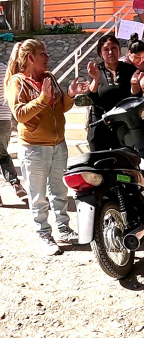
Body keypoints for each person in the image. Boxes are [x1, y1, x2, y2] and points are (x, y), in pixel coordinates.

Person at [4, 40, 87, 255]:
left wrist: (69, 95)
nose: (47, 58)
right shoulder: (17, 82)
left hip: (58, 145)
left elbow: (60, 107)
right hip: (34, 149)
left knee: (59, 190)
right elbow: (19, 114)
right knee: (38, 195)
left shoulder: (49, 77)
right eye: (43, 54)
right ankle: (44, 235)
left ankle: (63, 229)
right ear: (30, 58)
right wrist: (42, 100)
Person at [85, 34, 144, 151]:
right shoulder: (95, 71)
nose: (110, 52)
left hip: (124, 126)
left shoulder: (129, 70)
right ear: (100, 53)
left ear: (119, 50)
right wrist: (96, 79)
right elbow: (90, 98)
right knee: (100, 165)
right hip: (99, 126)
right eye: (106, 49)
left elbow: (136, 97)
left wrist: (134, 84)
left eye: (113, 48)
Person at [0, 61, 27, 206]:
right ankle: (16, 184)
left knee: (2, 155)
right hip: (4, 119)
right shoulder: (5, 69)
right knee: (2, 155)